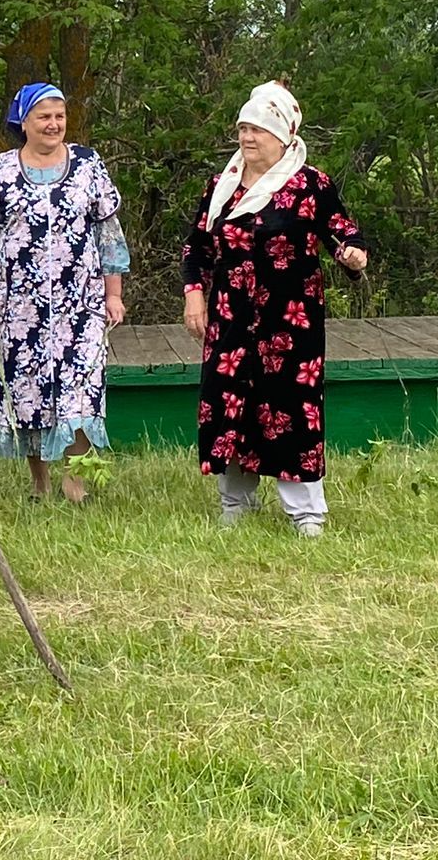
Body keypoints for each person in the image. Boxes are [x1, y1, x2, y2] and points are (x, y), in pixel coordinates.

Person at [181, 80, 367, 537]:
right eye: (243, 128)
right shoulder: (221, 186)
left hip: (290, 319)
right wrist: (194, 294)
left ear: (283, 136)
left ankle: (306, 513)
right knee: (230, 404)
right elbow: (196, 248)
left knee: (290, 405)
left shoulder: (310, 185)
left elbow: (345, 233)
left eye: (258, 130)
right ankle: (236, 503)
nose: (247, 138)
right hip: (230, 316)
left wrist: (352, 254)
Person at [0, 83, 130, 502]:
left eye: (59, 115)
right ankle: (39, 485)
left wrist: (113, 294)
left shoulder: (88, 165)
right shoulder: (0, 171)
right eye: (44, 116)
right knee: (28, 396)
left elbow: (109, 234)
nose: (54, 124)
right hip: (19, 307)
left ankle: (75, 483)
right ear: (24, 122)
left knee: (81, 391)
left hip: (82, 303)